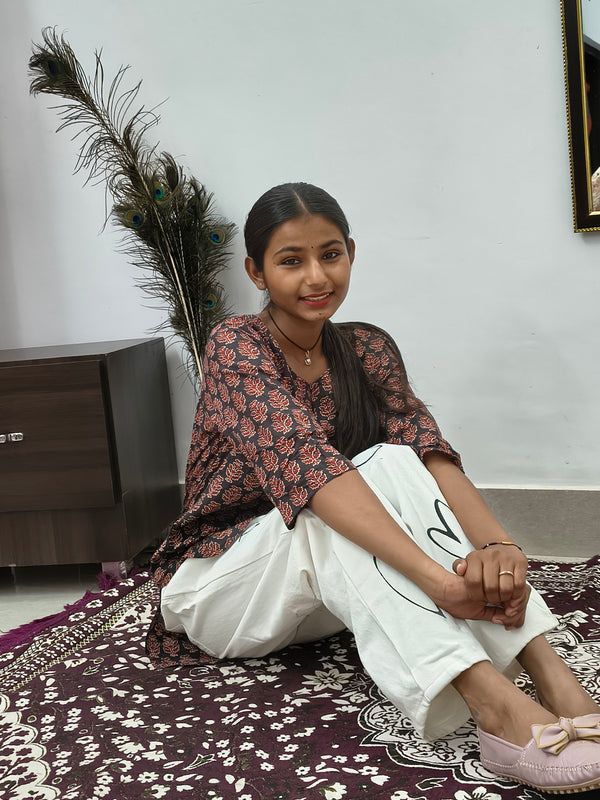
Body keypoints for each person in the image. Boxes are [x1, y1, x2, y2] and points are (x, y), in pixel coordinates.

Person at [147, 182, 600, 794]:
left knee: (391, 461)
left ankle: (549, 671)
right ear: (256, 271)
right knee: (329, 502)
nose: (316, 277)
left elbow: (430, 456)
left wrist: (501, 547)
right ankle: (492, 703)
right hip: (219, 588)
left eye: (330, 255)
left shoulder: (367, 347)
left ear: (352, 253)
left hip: (323, 596)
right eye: (290, 261)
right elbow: (309, 471)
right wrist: (442, 583)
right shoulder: (236, 346)